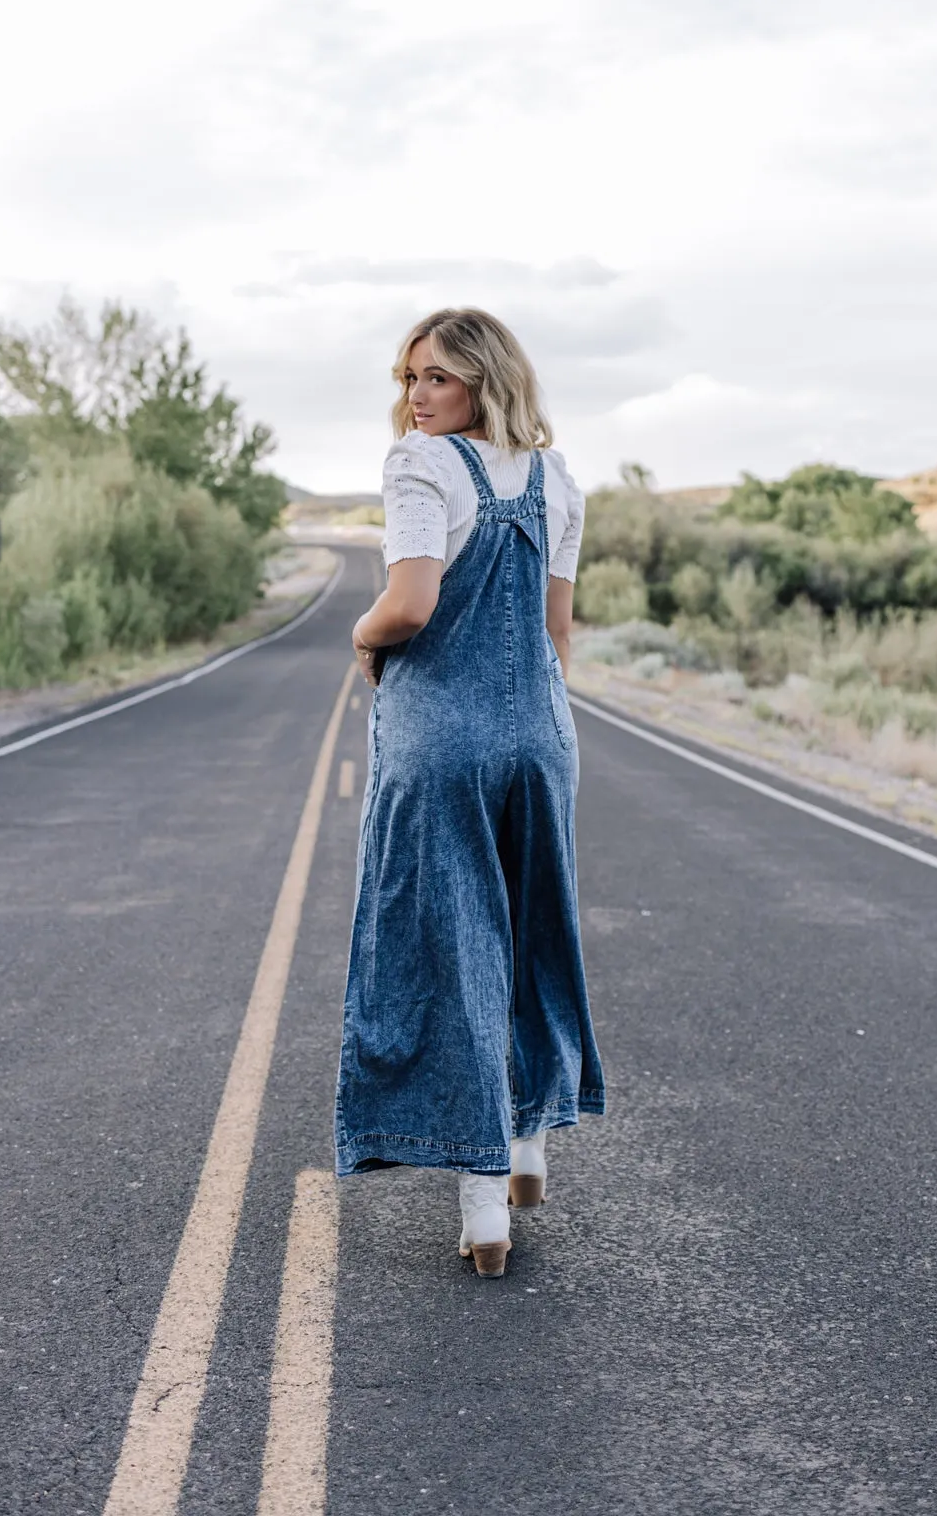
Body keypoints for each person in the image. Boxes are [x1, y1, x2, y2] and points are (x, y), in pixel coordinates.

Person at [334, 308, 605, 1276]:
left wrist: (363, 636)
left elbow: (409, 602)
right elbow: (556, 633)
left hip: (438, 738)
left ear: (484, 381)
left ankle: (484, 1203)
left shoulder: (419, 467)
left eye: (437, 377)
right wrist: (535, 722)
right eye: (409, 376)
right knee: (535, 929)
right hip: (539, 732)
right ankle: (530, 1139)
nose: (416, 396)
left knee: (455, 948)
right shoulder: (556, 478)